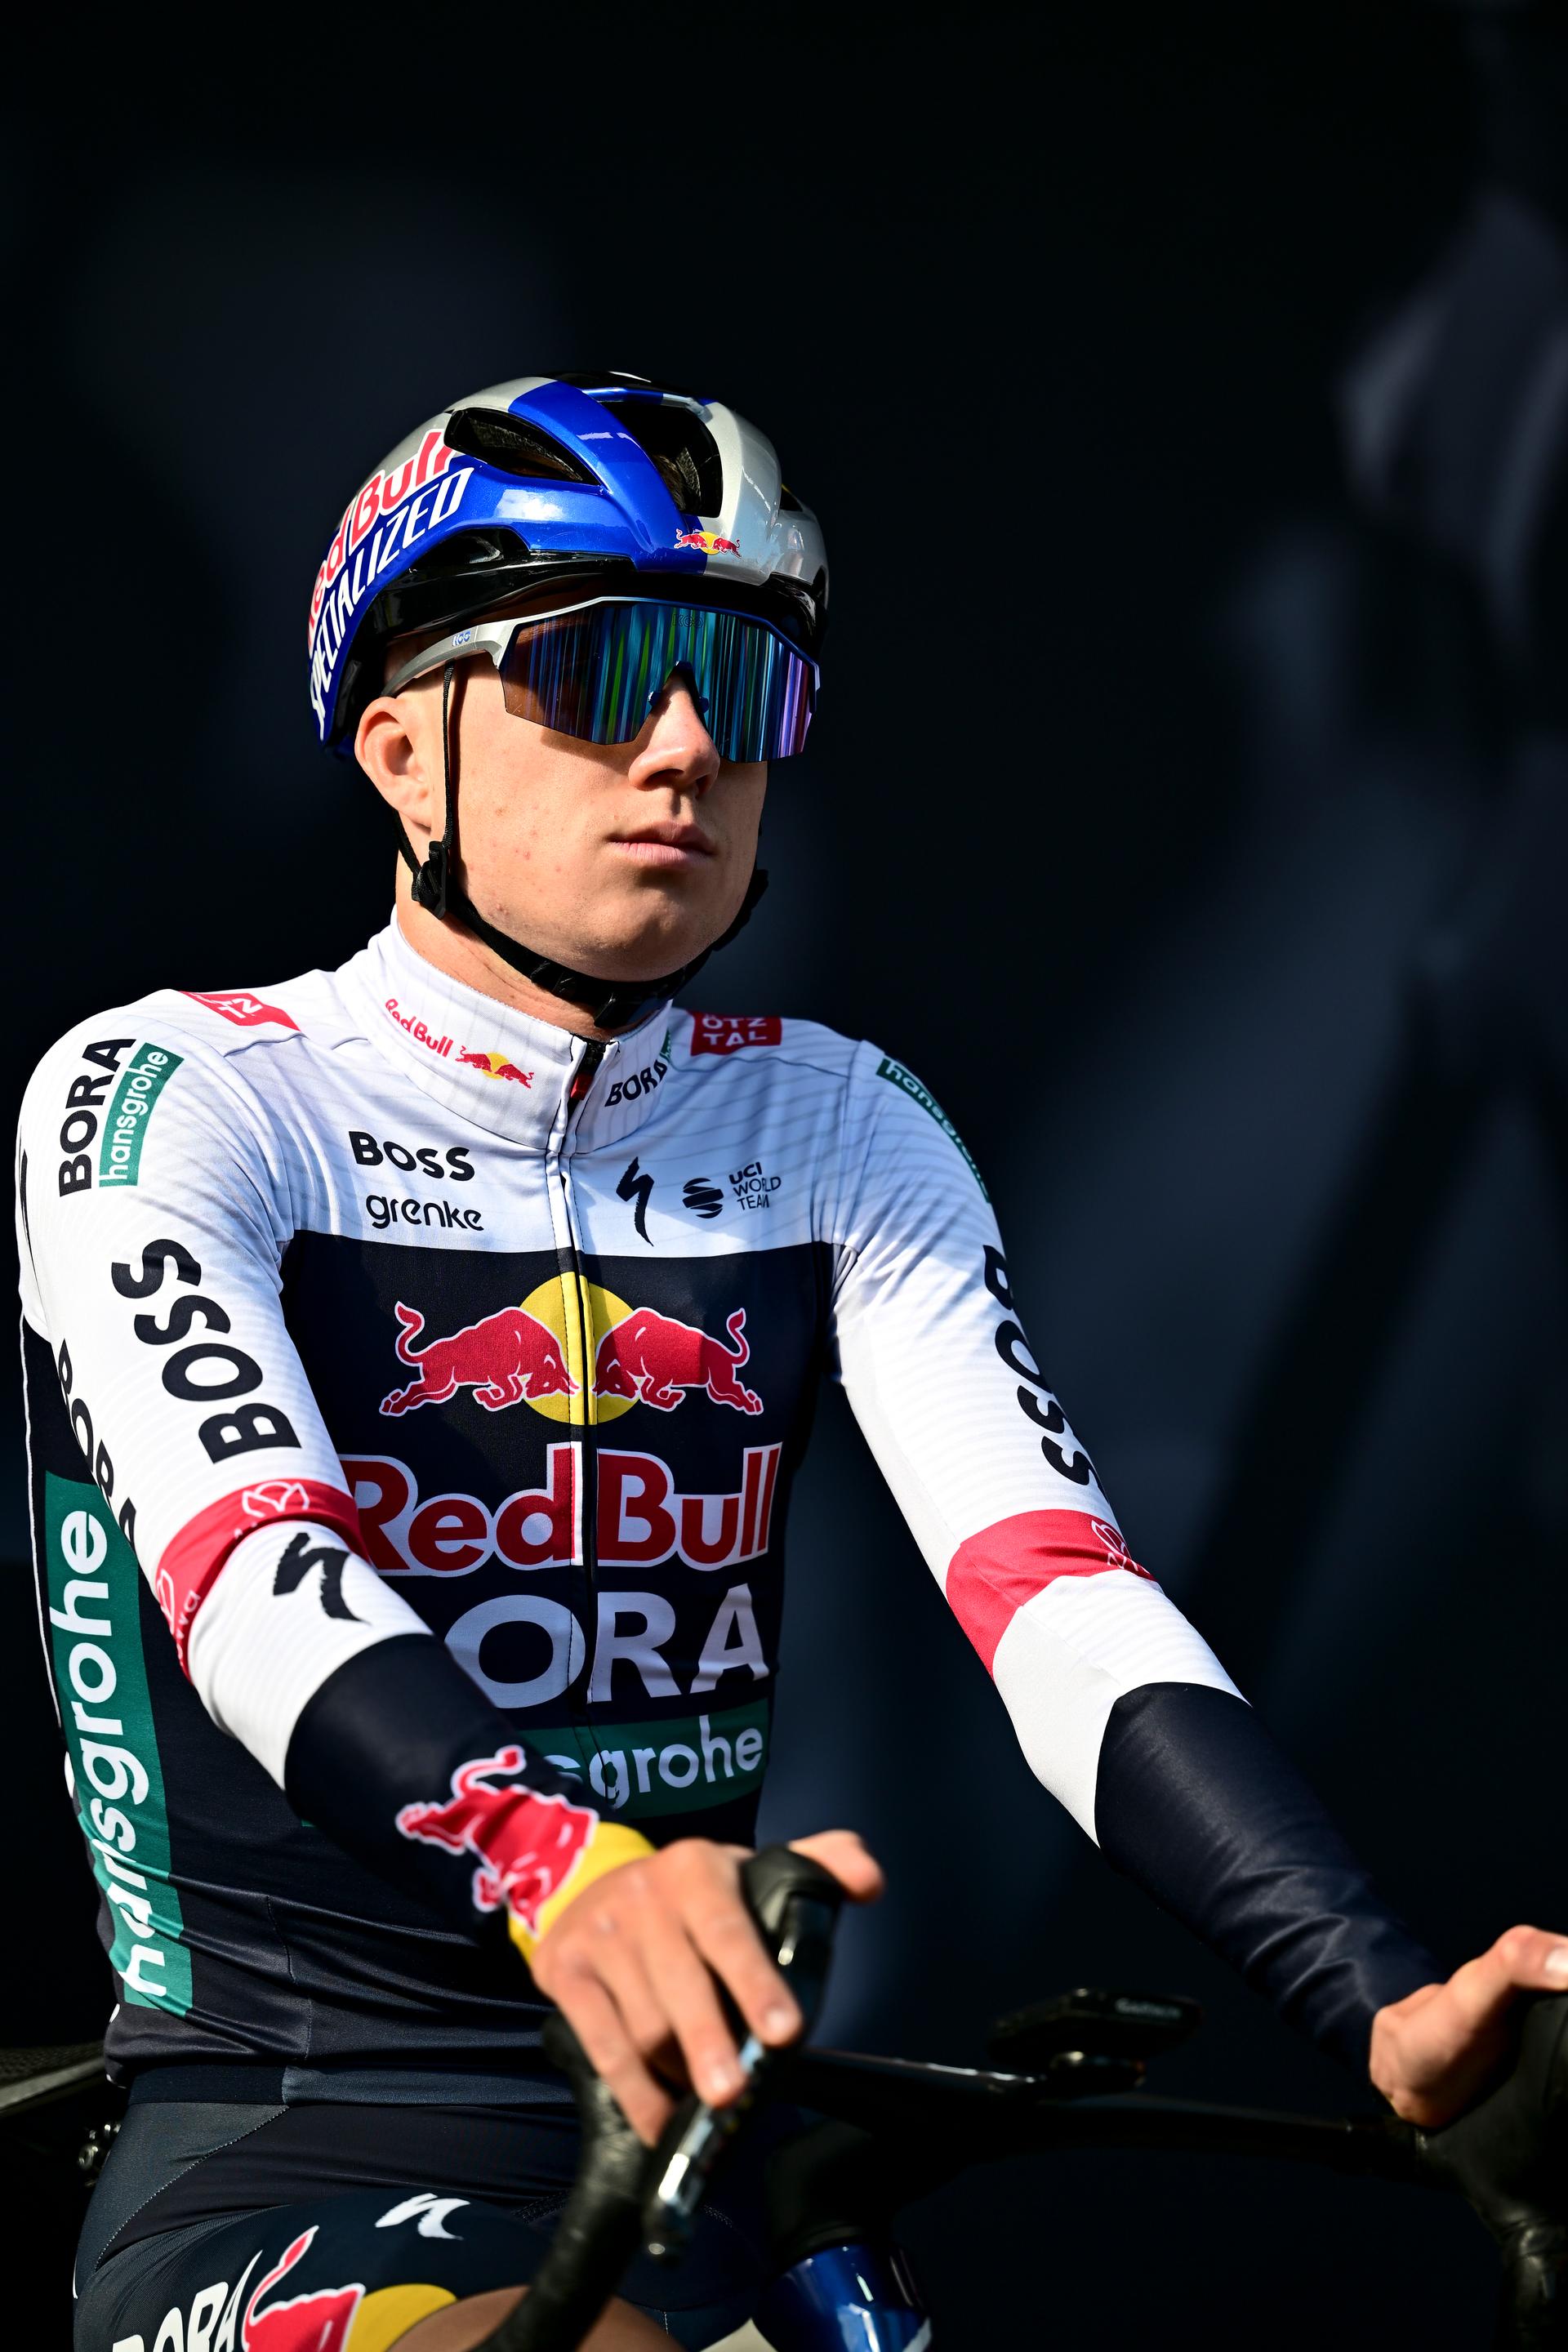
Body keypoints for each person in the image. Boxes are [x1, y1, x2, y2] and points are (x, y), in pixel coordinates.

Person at [17, 371, 1566, 2352]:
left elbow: (1066, 1615)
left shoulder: (836, 1128)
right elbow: (257, 1574)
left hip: (695, 2130)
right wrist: (560, 1864)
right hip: (293, 2133)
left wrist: (1379, 1999)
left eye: (737, 690)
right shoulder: (177, 1093)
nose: (681, 746)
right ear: (401, 750)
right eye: (601, 671)